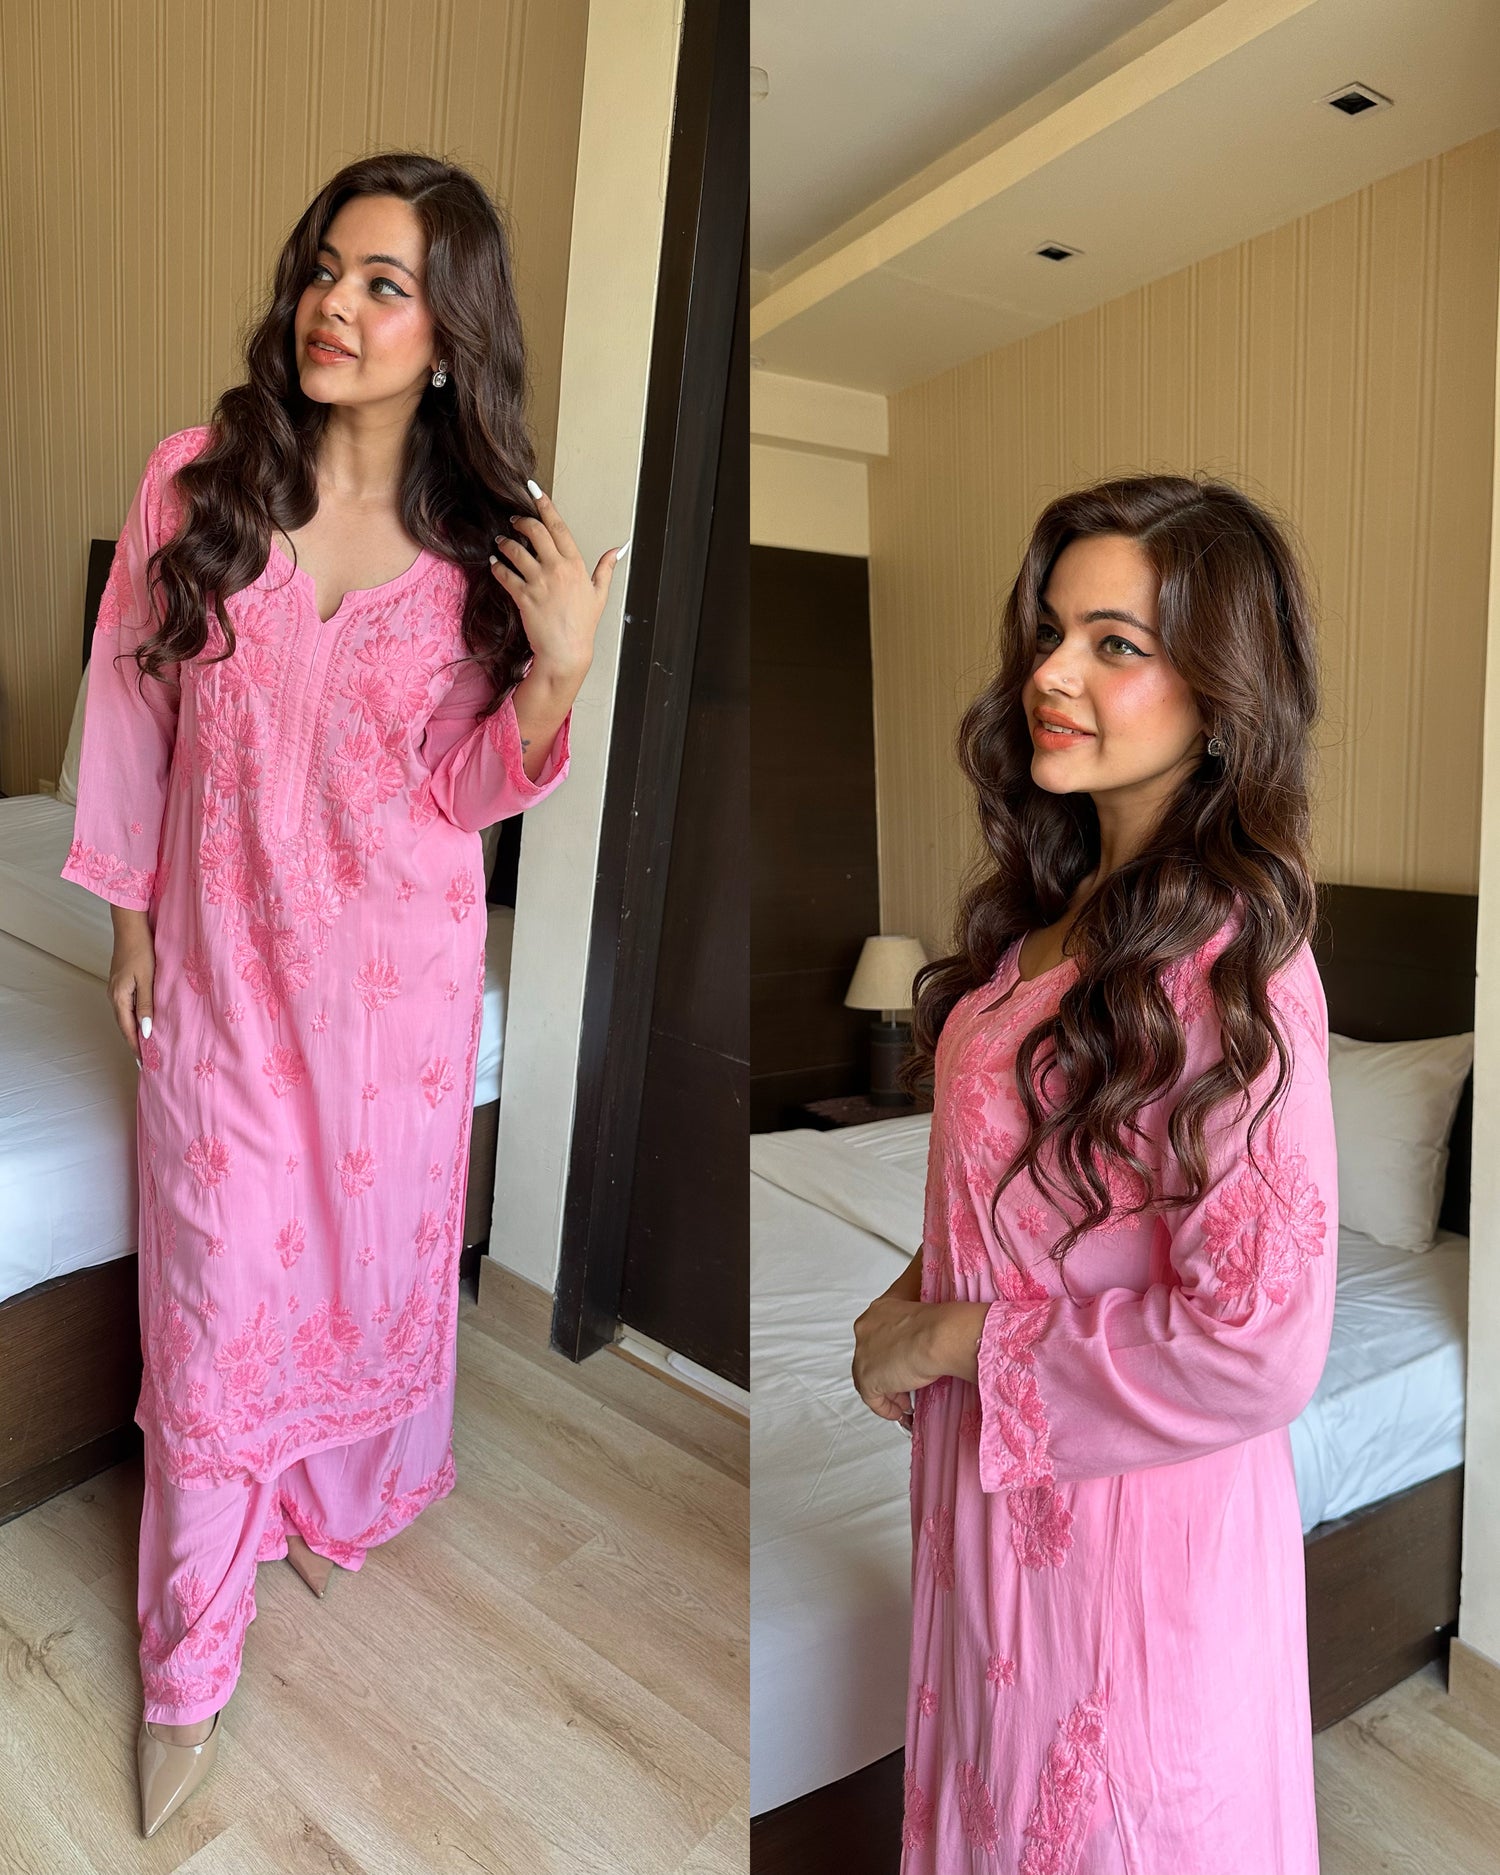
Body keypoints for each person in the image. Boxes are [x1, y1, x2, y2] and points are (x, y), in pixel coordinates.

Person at [59, 152, 628, 1839]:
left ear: (451, 336)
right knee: (217, 1294)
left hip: (392, 1004)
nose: (337, 304)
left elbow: (466, 787)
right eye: (327, 267)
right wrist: (129, 913)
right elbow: (129, 705)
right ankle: (185, 1669)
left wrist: (559, 673)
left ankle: (321, 1495)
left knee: (355, 1268)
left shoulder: (484, 548)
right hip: (221, 978)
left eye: (387, 285)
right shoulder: (197, 484)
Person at [851, 476, 1337, 1873]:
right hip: (1005, 1514)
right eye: (1052, 633)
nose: (1051, 676)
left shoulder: (1238, 968)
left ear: (1220, 696)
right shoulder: (1054, 923)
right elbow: (1027, 1185)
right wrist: (914, 1289)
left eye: (1115, 644)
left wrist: (953, 1337)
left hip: (1134, 1535)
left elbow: (1258, 1346)